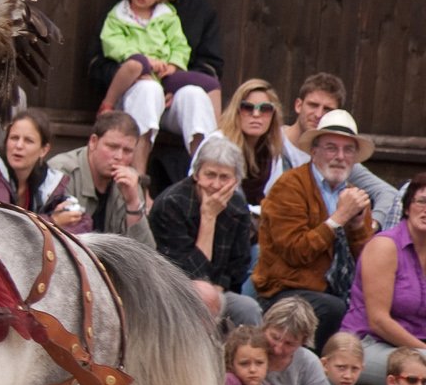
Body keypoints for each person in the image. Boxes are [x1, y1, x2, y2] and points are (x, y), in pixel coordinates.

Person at [255, 109, 376, 347]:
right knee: (333, 308)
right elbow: (295, 251)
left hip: (337, 294)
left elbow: (367, 264)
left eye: (348, 149)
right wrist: (338, 218)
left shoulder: (356, 196)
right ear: (314, 151)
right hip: (284, 291)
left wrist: (357, 227)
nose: (340, 156)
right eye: (331, 147)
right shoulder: (290, 186)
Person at [94, 0, 218, 171]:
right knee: (145, 80)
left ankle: (206, 168)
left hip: (165, 81)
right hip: (133, 84)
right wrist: (145, 61)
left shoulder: (167, 16)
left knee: (198, 92)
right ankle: (138, 175)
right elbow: (112, 43)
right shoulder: (118, 15)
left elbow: (180, 45)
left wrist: (173, 65)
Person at [148, 133, 261, 326]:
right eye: (210, 175)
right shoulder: (172, 204)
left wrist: (218, 288)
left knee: (248, 309)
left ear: (236, 181)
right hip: (173, 293)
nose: (216, 185)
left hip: (220, 292)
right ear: (197, 174)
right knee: (203, 300)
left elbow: (238, 267)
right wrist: (208, 217)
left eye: (224, 177)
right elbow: (188, 273)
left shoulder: (237, 206)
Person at [339, 174, 426, 385]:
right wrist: (423, 350)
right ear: (407, 207)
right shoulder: (385, 247)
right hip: (368, 343)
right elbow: (378, 321)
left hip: (414, 349)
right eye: (422, 201)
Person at [278, 73, 400, 228]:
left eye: (327, 109)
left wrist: (371, 226)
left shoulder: (339, 158)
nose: (318, 114)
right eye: (313, 105)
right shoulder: (273, 142)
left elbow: (389, 194)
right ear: (298, 105)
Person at [48, 112, 153, 245]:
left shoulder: (129, 181)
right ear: (93, 142)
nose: (119, 156)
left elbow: (146, 252)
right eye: (112, 147)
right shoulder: (61, 172)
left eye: (127, 151)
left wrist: (133, 203)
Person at [0, 109, 74, 218]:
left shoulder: (47, 180)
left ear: (44, 150)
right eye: (14, 138)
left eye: (28, 140)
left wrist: (70, 214)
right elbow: (6, 222)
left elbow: (81, 220)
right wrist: (53, 221)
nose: (19, 145)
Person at [217, 78, 289, 209]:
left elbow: (274, 198)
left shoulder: (273, 150)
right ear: (237, 110)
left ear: (274, 114)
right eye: (247, 107)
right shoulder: (218, 143)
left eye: (265, 109)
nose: (256, 114)